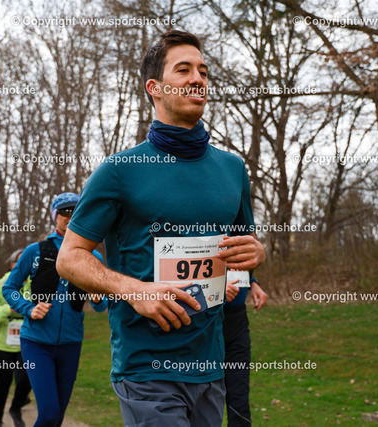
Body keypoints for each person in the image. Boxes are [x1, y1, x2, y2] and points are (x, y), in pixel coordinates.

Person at [56, 30, 266, 426]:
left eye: (203, 71)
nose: (197, 79)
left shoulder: (232, 169)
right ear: (154, 87)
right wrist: (135, 290)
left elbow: (243, 248)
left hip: (209, 365)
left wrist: (257, 252)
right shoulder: (119, 171)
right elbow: (70, 258)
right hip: (146, 367)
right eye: (183, 70)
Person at [2, 193, 107, 427]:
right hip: (36, 342)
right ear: (54, 216)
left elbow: (101, 306)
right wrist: (29, 309)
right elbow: (9, 288)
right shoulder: (34, 251)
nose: (70, 216)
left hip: (71, 344)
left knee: (57, 417)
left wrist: (98, 298)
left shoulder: (93, 256)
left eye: (76, 211)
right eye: (64, 211)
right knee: (48, 414)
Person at [0, 249, 33, 427]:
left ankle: (15, 408)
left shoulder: (36, 282)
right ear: (12, 265)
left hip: (27, 341)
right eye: (20, 262)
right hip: (0, 343)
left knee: (28, 378)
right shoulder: (3, 282)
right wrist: (8, 310)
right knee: (3, 382)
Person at [223, 273, 268, 426]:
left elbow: (236, 264)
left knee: (239, 399)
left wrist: (252, 282)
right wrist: (215, 289)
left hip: (237, 321)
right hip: (206, 320)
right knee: (205, 399)